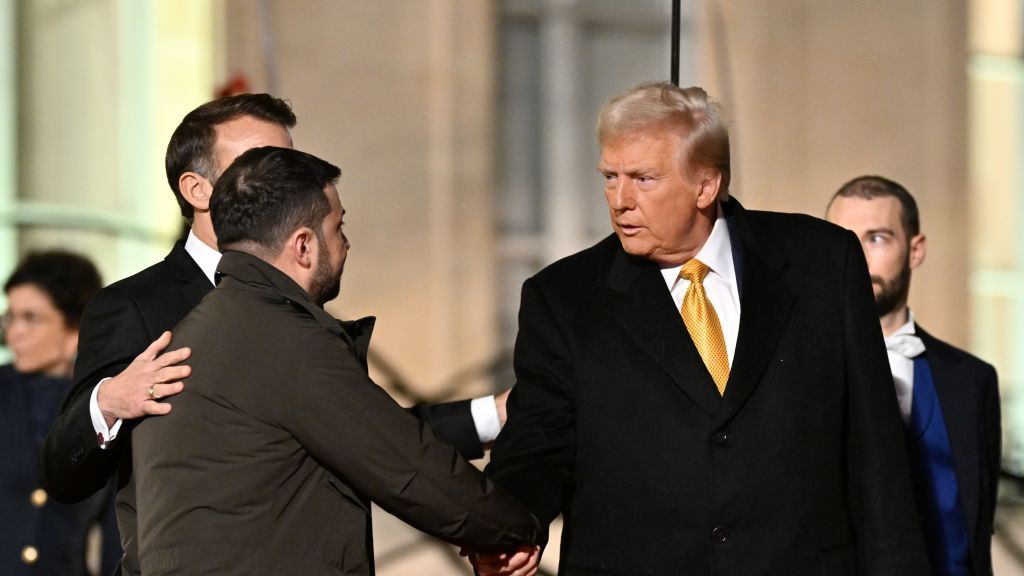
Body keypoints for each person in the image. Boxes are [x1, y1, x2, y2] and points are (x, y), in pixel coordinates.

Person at [476, 82, 930, 575]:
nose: (620, 199)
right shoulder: (563, 297)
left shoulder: (823, 262)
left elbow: (876, 455)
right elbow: (537, 443)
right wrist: (506, 529)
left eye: (643, 179)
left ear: (706, 185)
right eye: (610, 176)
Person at [40, 93, 504, 575]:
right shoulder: (134, 306)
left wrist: (490, 416)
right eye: (258, 160)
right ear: (196, 190)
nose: (281, 175)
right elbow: (62, 472)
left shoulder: (300, 290)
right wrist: (109, 402)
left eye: (287, 160)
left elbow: (362, 434)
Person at [131, 145, 537, 575]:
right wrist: (514, 530)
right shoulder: (281, 338)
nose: (345, 244)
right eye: (337, 227)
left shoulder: (201, 331)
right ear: (304, 245)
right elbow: (402, 463)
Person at [826, 175, 1000, 576]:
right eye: (844, 239)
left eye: (877, 238)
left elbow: (977, 521)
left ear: (915, 249)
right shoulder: (794, 373)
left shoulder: (972, 381)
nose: (857, 257)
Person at [0, 250, 120, 574]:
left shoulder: (105, 406)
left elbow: (115, 536)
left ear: (75, 328)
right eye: (10, 317)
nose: (14, 332)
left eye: (31, 318)